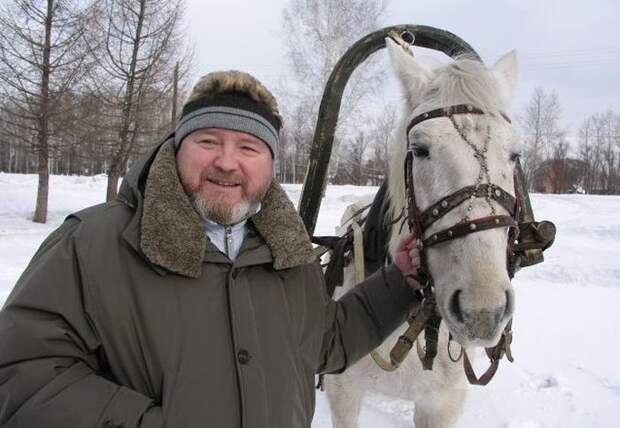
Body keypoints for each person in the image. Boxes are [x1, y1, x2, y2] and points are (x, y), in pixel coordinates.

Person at [0, 70, 421, 428]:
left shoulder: (288, 253)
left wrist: (399, 282)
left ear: (270, 164)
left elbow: (323, 343)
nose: (226, 161)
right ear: (177, 147)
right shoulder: (94, 243)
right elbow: (24, 374)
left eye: (249, 147)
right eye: (208, 141)